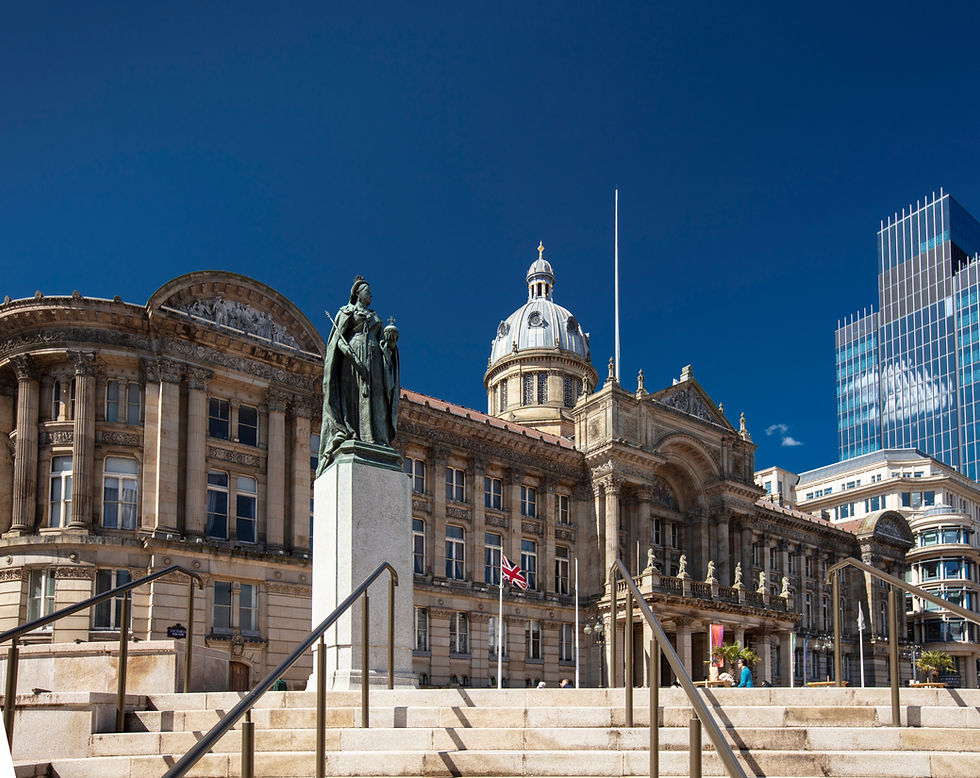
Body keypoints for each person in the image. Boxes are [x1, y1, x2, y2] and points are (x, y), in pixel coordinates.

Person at [317, 276, 400, 473]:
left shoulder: (375, 316)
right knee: (353, 396)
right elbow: (337, 340)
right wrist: (351, 356)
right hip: (352, 358)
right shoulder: (346, 312)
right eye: (367, 291)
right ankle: (352, 432)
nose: (371, 294)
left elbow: (382, 342)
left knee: (377, 397)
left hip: (375, 359)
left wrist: (389, 345)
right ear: (358, 293)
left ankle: (378, 438)